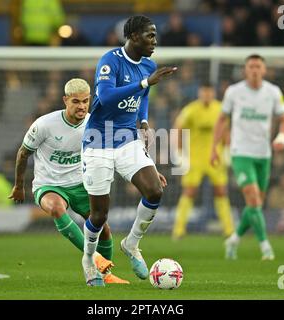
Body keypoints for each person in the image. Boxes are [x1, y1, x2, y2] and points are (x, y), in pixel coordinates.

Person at [81, 15, 177, 286]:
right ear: (133, 36)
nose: (154, 41)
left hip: (126, 138)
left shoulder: (149, 64)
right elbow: (107, 96)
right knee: (99, 215)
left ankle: (131, 243)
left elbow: (142, 97)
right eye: (150, 36)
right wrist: (145, 83)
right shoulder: (110, 60)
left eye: (155, 35)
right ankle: (89, 260)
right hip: (98, 140)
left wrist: (144, 121)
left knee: (154, 190)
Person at [8, 78, 128, 284]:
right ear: (65, 100)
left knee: (103, 227)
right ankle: (94, 259)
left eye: (85, 101)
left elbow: (116, 153)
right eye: (76, 101)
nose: (81, 106)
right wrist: (19, 185)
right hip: (49, 184)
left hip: (81, 184)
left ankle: (105, 276)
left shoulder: (94, 124)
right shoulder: (45, 124)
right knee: (56, 208)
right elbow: (23, 153)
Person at [210, 54, 284, 260]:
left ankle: (234, 240)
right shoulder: (234, 92)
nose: (254, 70)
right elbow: (221, 120)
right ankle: (265, 247)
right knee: (254, 198)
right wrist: (214, 148)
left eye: (258, 66)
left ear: (264, 70)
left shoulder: (273, 92)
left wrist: (282, 136)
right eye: (251, 66)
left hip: (264, 154)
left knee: (254, 205)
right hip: (241, 153)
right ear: (245, 70)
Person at [172, 83, 234, 240]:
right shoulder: (191, 110)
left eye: (209, 92)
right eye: (204, 92)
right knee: (189, 192)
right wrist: (179, 154)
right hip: (195, 159)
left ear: (213, 93)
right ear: (200, 92)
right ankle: (178, 230)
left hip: (215, 157)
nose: (207, 94)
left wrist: (227, 151)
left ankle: (229, 230)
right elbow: (177, 129)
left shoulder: (220, 109)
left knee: (221, 191)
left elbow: (226, 131)